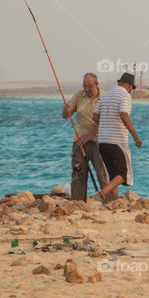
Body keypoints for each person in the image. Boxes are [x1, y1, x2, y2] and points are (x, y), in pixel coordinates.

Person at [93, 72, 142, 201]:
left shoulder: (106, 96)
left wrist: (105, 125)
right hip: (117, 141)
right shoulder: (125, 96)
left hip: (102, 141)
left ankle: (113, 203)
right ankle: (103, 192)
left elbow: (95, 117)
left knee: (112, 176)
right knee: (122, 174)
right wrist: (135, 137)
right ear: (129, 86)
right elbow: (124, 115)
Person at [62, 73, 107, 202]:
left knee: (102, 173)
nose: (86, 89)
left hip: (98, 141)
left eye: (89, 86)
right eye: (84, 86)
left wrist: (90, 135)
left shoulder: (104, 98)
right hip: (79, 141)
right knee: (78, 173)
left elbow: (106, 122)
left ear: (97, 85)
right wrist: (66, 110)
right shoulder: (78, 96)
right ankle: (78, 203)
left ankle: (108, 201)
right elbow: (65, 115)